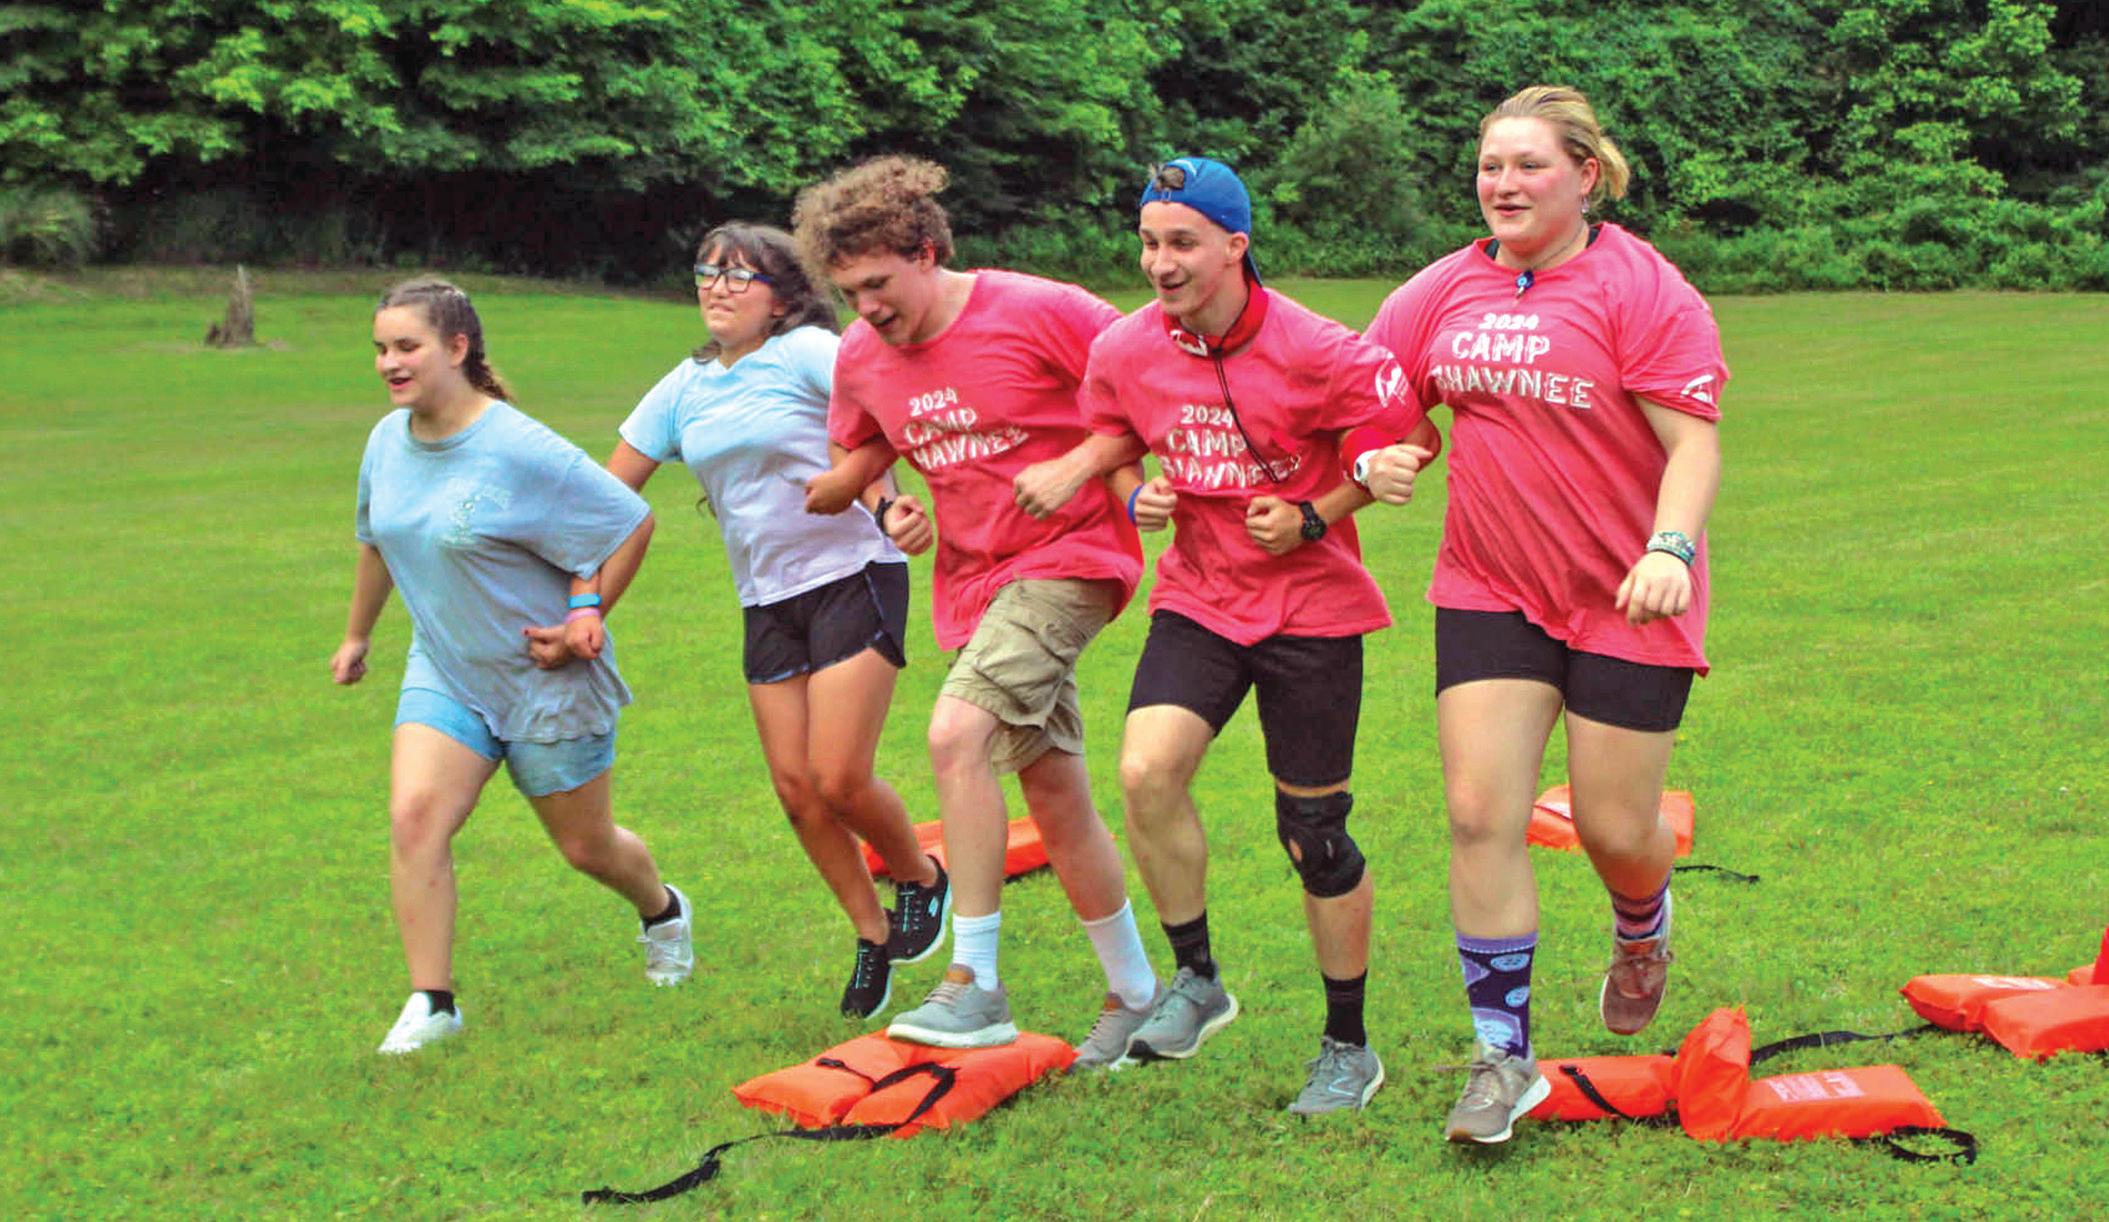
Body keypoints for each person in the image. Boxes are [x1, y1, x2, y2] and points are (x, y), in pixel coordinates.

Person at [1013, 156, 1430, 1113]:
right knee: (1144, 771)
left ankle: (1347, 1046)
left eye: (1182, 244)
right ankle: (1197, 981)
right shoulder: (1123, 348)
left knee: (1313, 836)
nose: (1160, 263)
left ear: (1235, 246)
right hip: (1199, 597)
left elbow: (1400, 440)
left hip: (1313, 610)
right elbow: (1116, 437)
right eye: (1148, 243)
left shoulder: (1318, 347)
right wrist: (1137, 497)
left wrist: (1317, 513)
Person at [1358, 85, 1728, 1143]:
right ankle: (1500, 1056)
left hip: (1629, 593)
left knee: (1614, 828)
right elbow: (1379, 410)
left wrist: (1669, 549)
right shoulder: (1439, 291)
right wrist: (1378, 457)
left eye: (1528, 166)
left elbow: (1692, 443)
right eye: (1491, 166)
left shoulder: (1642, 288)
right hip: (1491, 586)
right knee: (1481, 813)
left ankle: (1641, 923)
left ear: (1585, 176)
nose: (1504, 184)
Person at [794, 156, 1160, 1067]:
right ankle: (1136, 993)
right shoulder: (860, 356)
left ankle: (975, 985)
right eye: (848, 293)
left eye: (879, 284)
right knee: (1054, 792)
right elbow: (863, 450)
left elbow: (1151, 379)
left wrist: (1081, 467)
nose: (866, 308)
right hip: (973, 584)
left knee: (956, 734)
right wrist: (886, 507)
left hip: (1073, 558)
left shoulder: (1039, 309)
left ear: (927, 252)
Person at [332, 278, 694, 1056]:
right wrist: (357, 635)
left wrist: (585, 619)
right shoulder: (386, 441)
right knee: (415, 817)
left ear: (457, 348)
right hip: (446, 668)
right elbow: (376, 541)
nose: (388, 363)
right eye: (381, 349)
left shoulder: (518, 446)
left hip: (543, 677)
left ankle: (662, 910)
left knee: (586, 848)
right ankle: (433, 1003)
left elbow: (629, 521)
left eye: (406, 347)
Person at [602, 223, 948, 1021]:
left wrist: (883, 501)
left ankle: (920, 877)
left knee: (838, 776)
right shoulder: (682, 386)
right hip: (765, 598)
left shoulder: (806, 352)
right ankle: (871, 934)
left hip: (852, 572)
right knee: (796, 792)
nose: (717, 288)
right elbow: (607, 491)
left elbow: (882, 411)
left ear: (783, 298)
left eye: (738, 276)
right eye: (706, 273)